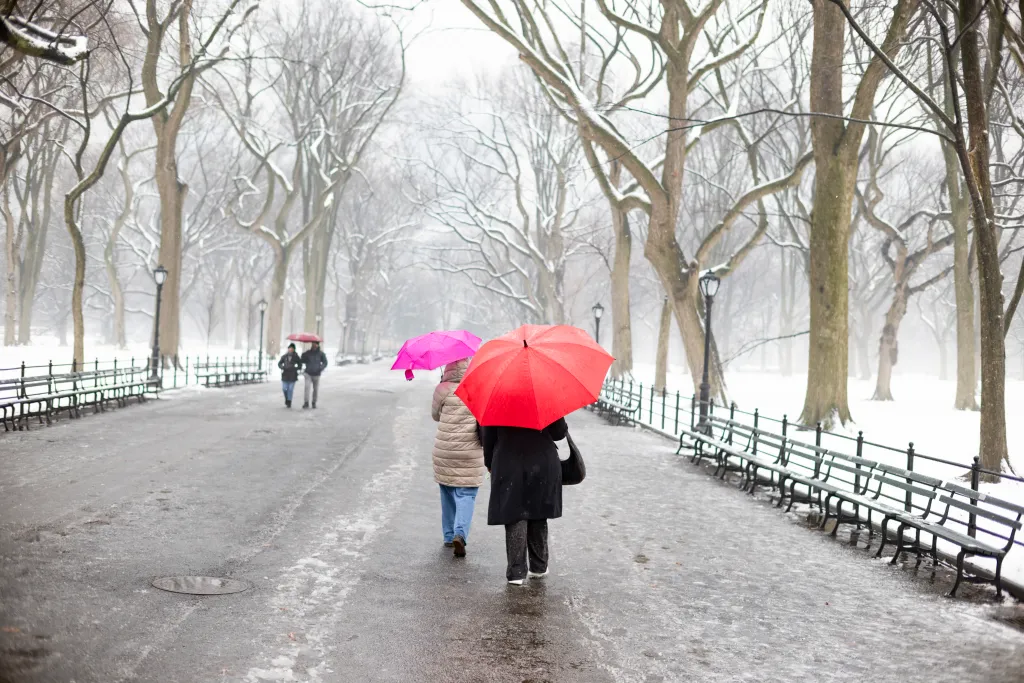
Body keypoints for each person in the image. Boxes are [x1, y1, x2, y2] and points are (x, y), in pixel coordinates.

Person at [483, 416, 568, 585]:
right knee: (538, 510)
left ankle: (516, 572)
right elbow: (559, 433)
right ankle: (539, 566)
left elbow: (488, 436)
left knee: (514, 512)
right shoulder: (544, 396)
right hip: (542, 461)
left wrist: (489, 462)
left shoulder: (498, 401)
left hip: (509, 461)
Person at [430, 359, 485, 558]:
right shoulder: (478, 388)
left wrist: (442, 389)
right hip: (469, 451)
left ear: (448, 369)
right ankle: (460, 533)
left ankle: (447, 535)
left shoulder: (442, 389)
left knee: (446, 490)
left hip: (444, 450)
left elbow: (435, 416)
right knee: (466, 494)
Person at [300, 341, 328, 409]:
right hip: (308, 373)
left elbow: (325, 362)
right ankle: (306, 402)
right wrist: (303, 355)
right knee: (307, 388)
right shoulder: (308, 353)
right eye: (313, 344)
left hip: (316, 374)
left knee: (315, 389)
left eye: (315, 344)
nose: (314, 345)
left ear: (318, 345)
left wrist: (320, 368)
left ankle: (314, 402)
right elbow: (302, 361)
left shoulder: (321, 354)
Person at [277, 343, 302, 408]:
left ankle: (289, 401)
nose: (290, 349)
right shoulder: (284, 356)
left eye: (292, 348)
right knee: (284, 388)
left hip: (292, 375)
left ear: (294, 349)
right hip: (285, 374)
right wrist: (282, 367)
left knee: (290, 389)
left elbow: (300, 365)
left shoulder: (296, 357)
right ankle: (287, 399)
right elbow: (279, 363)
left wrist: (296, 368)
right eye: (289, 348)